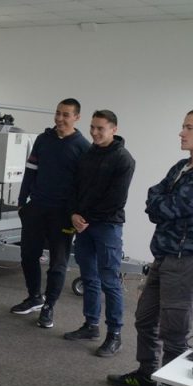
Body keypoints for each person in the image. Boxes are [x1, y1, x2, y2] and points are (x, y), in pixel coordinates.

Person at [108, 109, 193, 386]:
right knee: (145, 318)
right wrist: (161, 202)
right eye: (183, 126)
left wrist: (161, 202)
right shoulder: (182, 166)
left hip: (186, 261)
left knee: (174, 332)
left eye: (189, 127)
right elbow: (155, 197)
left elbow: (169, 207)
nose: (181, 132)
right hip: (165, 255)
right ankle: (147, 374)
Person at [10, 98, 90, 329]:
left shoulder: (83, 147)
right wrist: (22, 202)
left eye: (66, 114)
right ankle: (34, 297)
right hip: (36, 207)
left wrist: (78, 213)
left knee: (57, 263)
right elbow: (30, 171)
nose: (60, 118)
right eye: (58, 113)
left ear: (76, 118)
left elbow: (84, 186)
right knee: (28, 256)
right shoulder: (43, 140)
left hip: (63, 214)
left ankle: (49, 306)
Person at [63, 110, 136, 357]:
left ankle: (114, 335)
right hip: (83, 224)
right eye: (92, 127)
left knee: (110, 281)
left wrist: (85, 219)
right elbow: (74, 188)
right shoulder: (88, 153)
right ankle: (90, 325)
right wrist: (73, 214)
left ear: (114, 129)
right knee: (89, 277)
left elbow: (116, 200)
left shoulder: (123, 159)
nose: (94, 132)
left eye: (100, 128)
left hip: (106, 226)